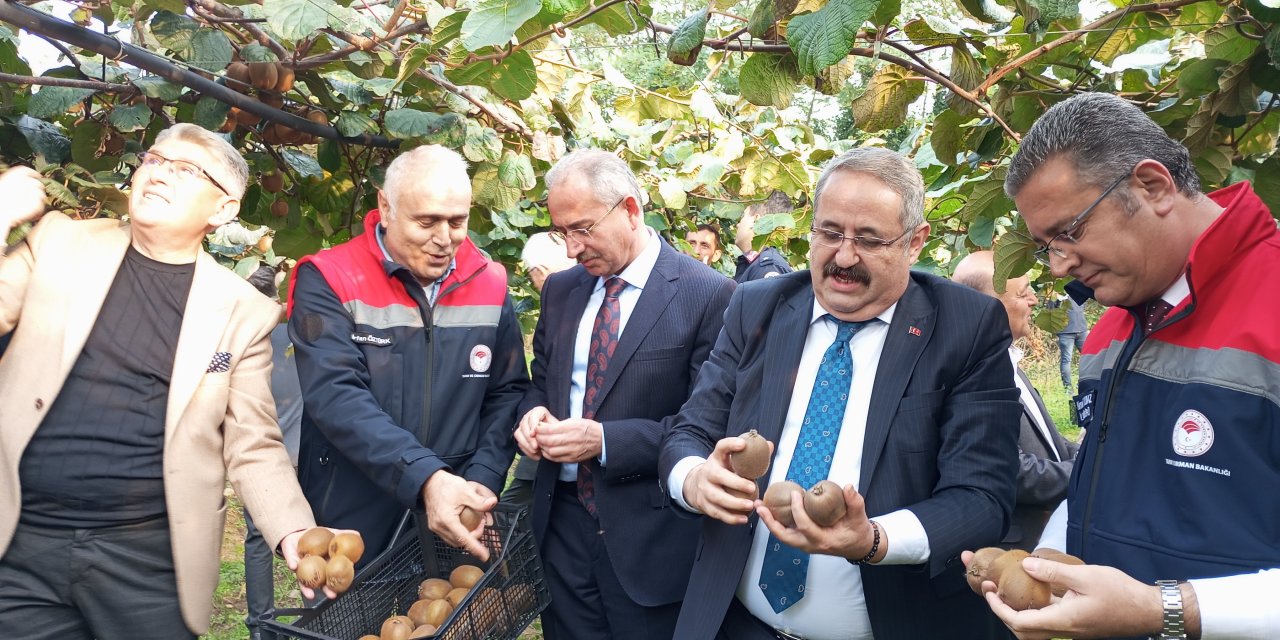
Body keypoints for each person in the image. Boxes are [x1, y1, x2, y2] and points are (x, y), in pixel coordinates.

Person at [660, 147, 1021, 640]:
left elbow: (983, 497)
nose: (844, 258)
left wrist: (873, 540)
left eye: (870, 240)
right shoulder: (757, 306)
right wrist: (694, 478)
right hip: (735, 623)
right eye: (830, 234)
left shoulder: (966, 327)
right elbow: (691, 429)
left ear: (915, 243)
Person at [0, 124, 343, 639]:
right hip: (23, 541)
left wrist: (292, 529)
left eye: (184, 171)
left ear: (223, 210)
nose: (159, 175)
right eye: (155, 161)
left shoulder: (243, 312)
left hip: (148, 561)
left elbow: (252, 442)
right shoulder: (60, 241)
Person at [970, 92, 1280, 640]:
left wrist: (1162, 610)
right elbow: (1097, 479)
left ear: (1153, 186)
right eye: (1047, 245)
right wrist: (1042, 566)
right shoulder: (1112, 326)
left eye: (1070, 231)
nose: (1061, 263)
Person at [514, 149, 735, 639]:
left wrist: (605, 441)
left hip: (650, 535)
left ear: (631, 210)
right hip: (562, 527)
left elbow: (707, 424)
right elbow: (542, 383)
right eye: (562, 232)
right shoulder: (562, 291)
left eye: (582, 229)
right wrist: (532, 417)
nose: (571, 249)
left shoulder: (708, 293)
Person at [288, 145, 529, 564]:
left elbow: (506, 392)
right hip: (353, 506)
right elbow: (336, 395)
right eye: (426, 221)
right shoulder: (330, 276)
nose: (444, 239)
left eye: (457, 221)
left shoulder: (489, 281)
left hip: (458, 503)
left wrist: (483, 477)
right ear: (386, 205)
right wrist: (425, 478)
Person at [952, 250, 1076, 552]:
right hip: (1009, 553)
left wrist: (1094, 454)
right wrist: (1090, 472)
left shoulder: (1008, 359)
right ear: (989, 307)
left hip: (1041, 541)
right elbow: (1011, 469)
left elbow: (1051, 442)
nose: (1034, 300)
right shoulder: (966, 372)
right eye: (1023, 294)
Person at [242, 265, 303, 640]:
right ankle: (321, 614)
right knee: (312, 538)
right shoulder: (297, 332)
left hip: (259, 458)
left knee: (258, 540)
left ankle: (260, 624)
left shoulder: (243, 340)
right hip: (302, 454)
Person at [500, 232, 576, 510]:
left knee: (511, 511)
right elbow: (541, 377)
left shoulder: (561, 299)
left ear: (539, 271)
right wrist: (532, 410)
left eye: (533, 275)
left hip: (561, 447)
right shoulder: (566, 300)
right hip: (546, 439)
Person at [734, 190, 794, 283]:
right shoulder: (757, 263)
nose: (738, 225)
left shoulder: (767, 267)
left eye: (743, 216)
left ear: (756, 219)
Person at [1049, 296, 1088, 390]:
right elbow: (1050, 311)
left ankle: (1081, 384)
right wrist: (1058, 301)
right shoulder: (1055, 294)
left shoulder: (1074, 291)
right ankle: (1068, 388)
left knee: (1088, 358)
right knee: (1067, 360)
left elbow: (1082, 304)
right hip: (1066, 332)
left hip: (1081, 329)